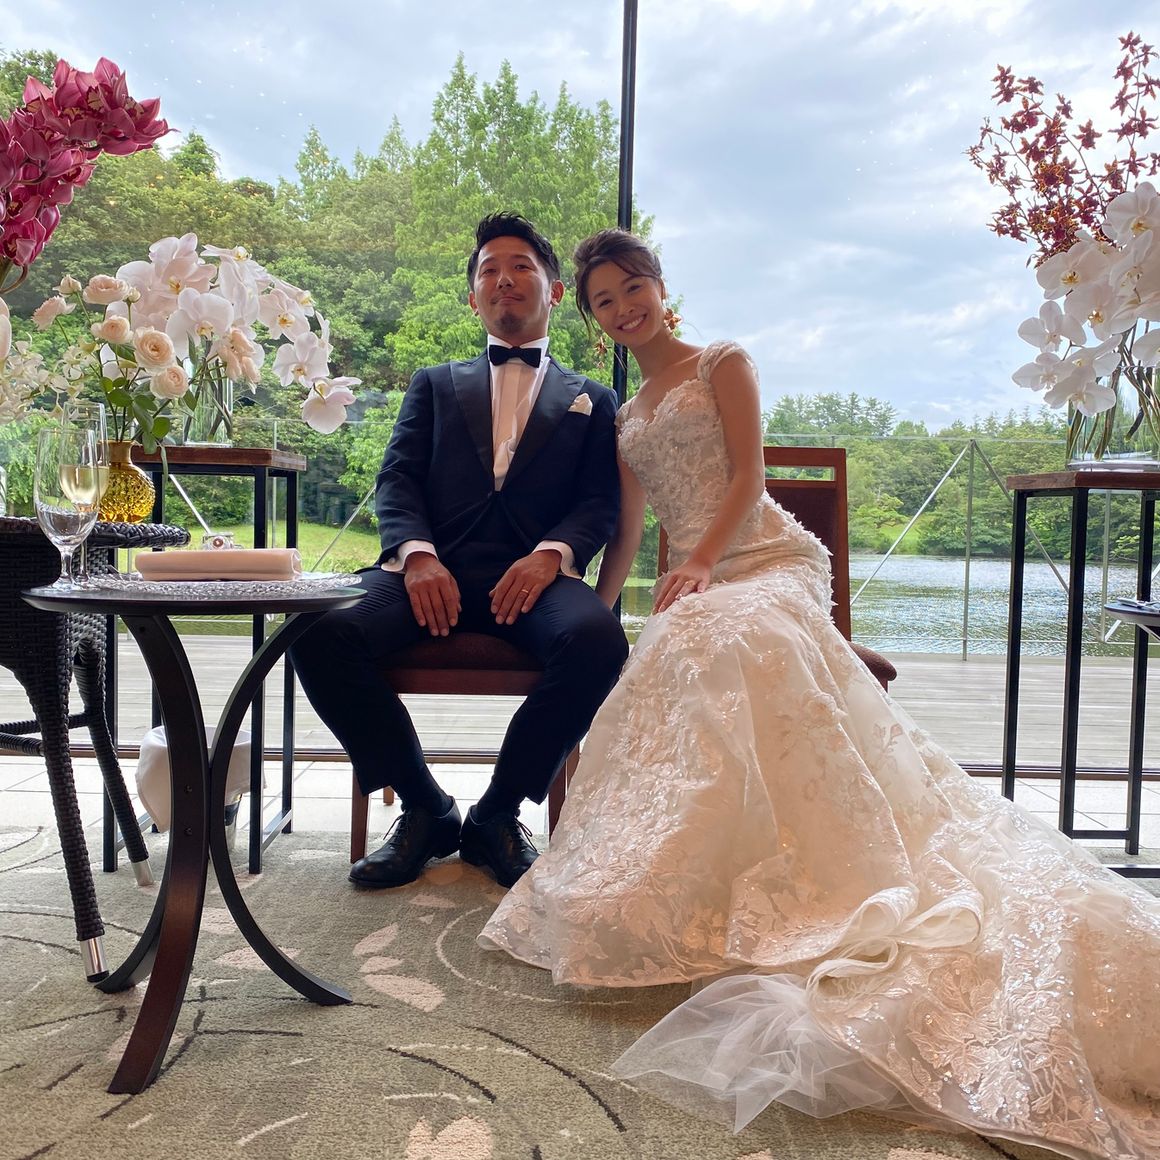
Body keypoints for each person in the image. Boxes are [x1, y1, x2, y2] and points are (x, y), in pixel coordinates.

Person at [477, 228, 1160, 1160]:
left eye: (633, 287)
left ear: (661, 288)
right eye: (604, 300)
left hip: (768, 561)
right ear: (592, 317)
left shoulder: (723, 362)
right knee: (675, 642)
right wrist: (602, 613)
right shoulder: (627, 417)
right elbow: (632, 529)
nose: (623, 307)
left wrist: (705, 562)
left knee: (721, 632)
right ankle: (696, 872)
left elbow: (750, 477)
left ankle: (819, 862)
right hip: (699, 583)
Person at [291, 212, 627, 891]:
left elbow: (598, 503)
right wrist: (416, 555)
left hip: (534, 580)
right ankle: (427, 809)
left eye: (521, 267)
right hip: (429, 571)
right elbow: (397, 478)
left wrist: (551, 555)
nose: (504, 280)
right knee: (318, 628)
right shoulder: (434, 383)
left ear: (556, 290)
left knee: (599, 641)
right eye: (488, 271)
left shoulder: (594, 399)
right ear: (473, 297)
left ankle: (497, 814)